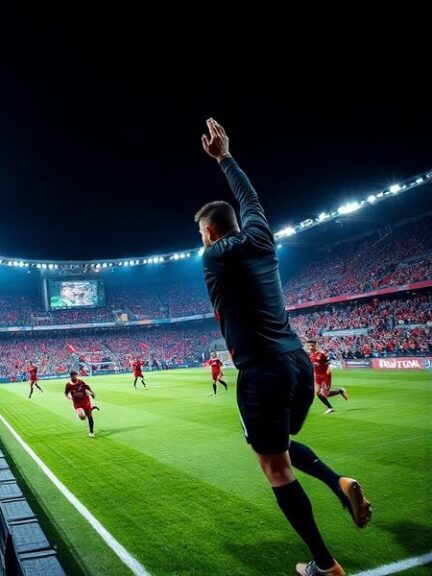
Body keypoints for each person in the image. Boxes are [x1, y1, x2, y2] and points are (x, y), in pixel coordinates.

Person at [195, 118, 370, 576]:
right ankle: (338, 481)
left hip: (263, 372)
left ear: (210, 233)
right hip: (296, 365)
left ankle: (324, 564)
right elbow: (251, 201)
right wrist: (226, 157)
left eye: (202, 234)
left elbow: (238, 216)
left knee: (274, 467)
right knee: (280, 444)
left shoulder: (212, 256)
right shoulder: (263, 239)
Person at [306, 340, 348, 414]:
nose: (310, 347)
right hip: (317, 376)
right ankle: (330, 408)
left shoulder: (322, 354)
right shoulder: (311, 355)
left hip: (325, 375)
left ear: (316, 346)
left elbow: (330, 363)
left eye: (311, 345)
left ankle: (340, 391)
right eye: (309, 345)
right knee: (317, 392)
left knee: (325, 394)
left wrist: (327, 373)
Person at [64, 370, 99, 437]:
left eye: (76, 375)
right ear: (71, 376)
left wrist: (91, 393)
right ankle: (92, 408)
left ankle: (91, 432)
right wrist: (69, 397)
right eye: (75, 376)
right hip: (77, 402)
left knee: (89, 415)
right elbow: (66, 393)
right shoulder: (68, 385)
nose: (76, 377)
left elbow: (87, 387)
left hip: (85, 400)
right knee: (82, 417)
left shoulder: (80, 382)